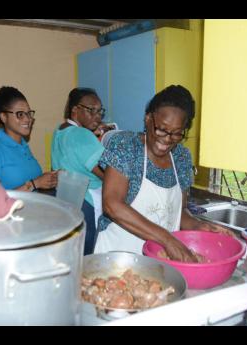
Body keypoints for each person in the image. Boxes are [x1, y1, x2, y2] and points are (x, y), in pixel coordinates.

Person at [94, 85, 233, 262]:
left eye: (176, 134)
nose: (167, 139)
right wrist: (167, 240)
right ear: (147, 119)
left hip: (160, 261)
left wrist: (199, 226)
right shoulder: (126, 146)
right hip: (117, 258)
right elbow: (112, 205)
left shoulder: (181, 157)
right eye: (161, 129)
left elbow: (178, 212)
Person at [51, 87, 106, 255]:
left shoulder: (60, 130)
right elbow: (106, 172)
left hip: (66, 199)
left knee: (73, 253)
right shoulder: (82, 135)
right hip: (88, 201)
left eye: (99, 111)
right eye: (91, 111)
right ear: (75, 110)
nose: (97, 116)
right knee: (89, 254)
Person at [0, 86, 58, 192]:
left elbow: (31, 181)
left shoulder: (23, 145)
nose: (28, 119)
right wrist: (35, 183)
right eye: (20, 114)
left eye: (29, 113)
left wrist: (48, 179)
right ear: (4, 117)